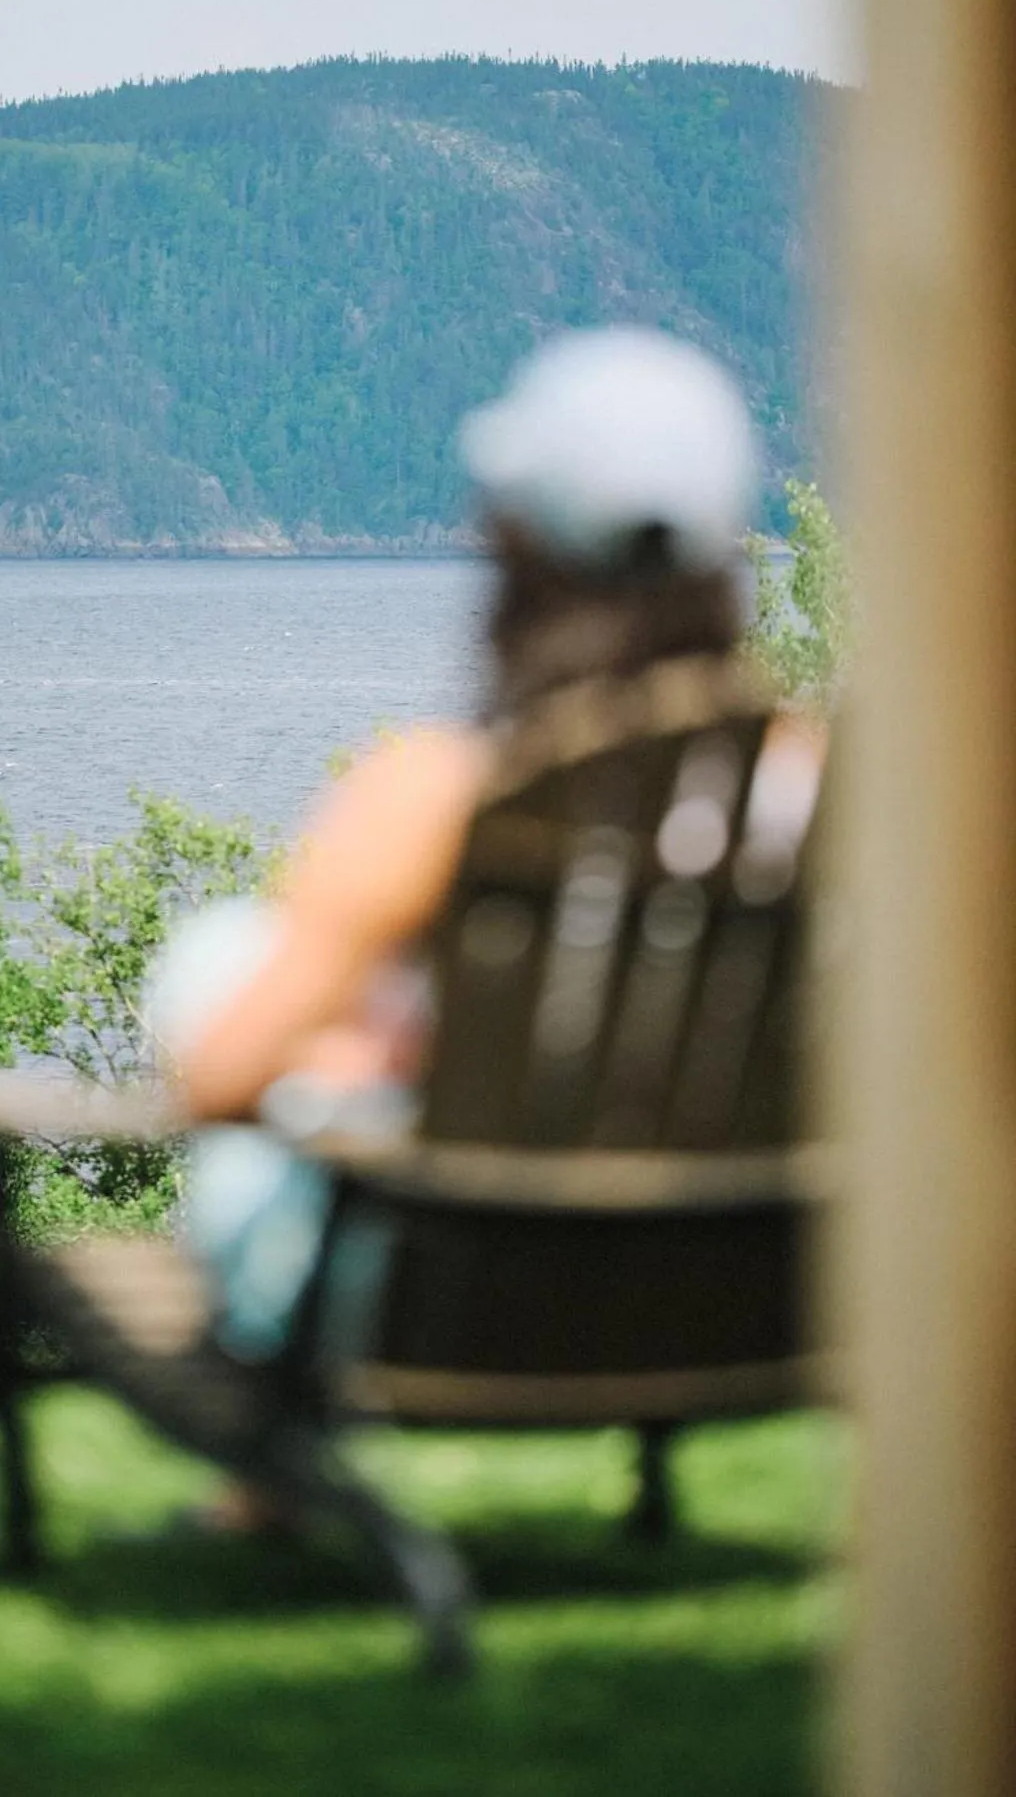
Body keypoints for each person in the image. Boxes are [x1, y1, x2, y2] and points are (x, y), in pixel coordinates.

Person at [145, 324, 762, 1408]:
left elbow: (217, 1077)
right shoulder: (816, 789)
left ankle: (270, 1483)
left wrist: (375, 1069)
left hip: (442, 1301)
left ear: (512, 543)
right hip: (725, 1291)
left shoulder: (435, 795)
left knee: (218, 956)